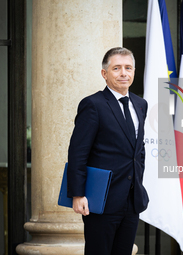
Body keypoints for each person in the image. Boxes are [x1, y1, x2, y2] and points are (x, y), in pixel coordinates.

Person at [67, 47, 149, 255]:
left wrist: (138, 183)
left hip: (131, 200)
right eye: (117, 68)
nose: (124, 73)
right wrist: (77, 194)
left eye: (128, 68)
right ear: (105, 74)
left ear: (134, 71)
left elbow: (138, 151)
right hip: (101, 199)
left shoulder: (140, 104)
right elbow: (78, 152)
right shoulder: (93, 105)